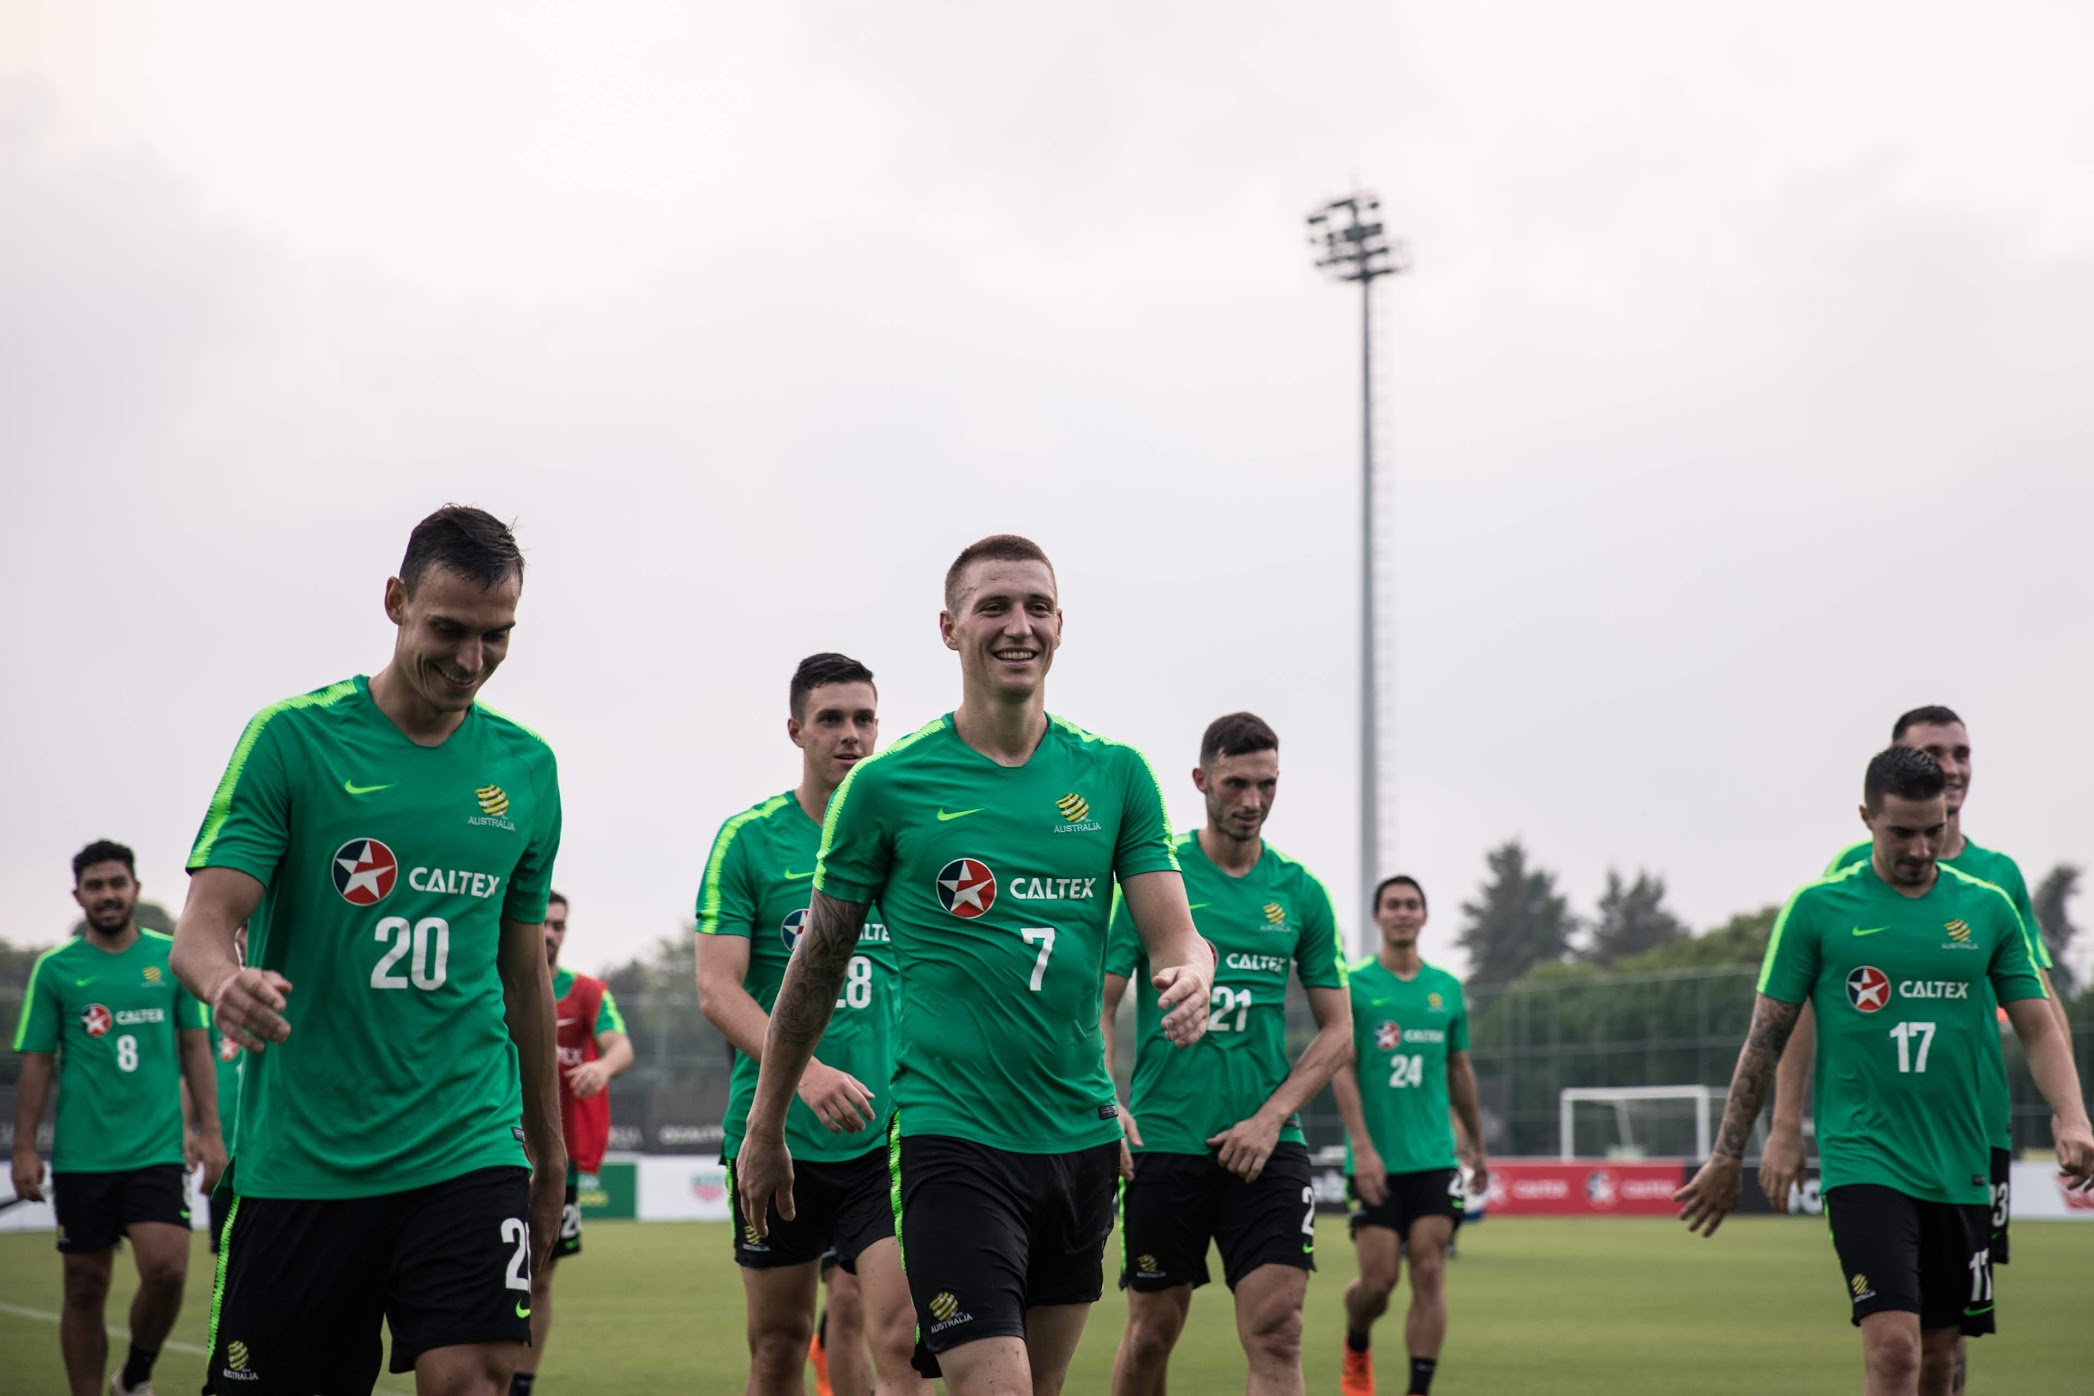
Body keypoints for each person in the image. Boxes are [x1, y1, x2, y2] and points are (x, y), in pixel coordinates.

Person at [734, 534, 1215, 1396]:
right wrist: (767, 1126)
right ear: (951, 628)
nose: (1017, 625)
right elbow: (812, 971)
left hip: (1080, 1145)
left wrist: (1192, 970)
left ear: (1062, 625)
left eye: (1036, 606)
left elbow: (1175, 935)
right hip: (950, 1142)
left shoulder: (1116, 776)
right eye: (994, 606)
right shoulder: (886, 788)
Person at [170, 504, 566, 1396]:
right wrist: (223, 980)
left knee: (472, 1376)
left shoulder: (528, 770)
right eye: (449, 630)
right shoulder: (293, 741)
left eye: (497, 637)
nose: (471, 663)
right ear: (394, 601)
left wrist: (549, 1154)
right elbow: (202, 922)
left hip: (467, 1144)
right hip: (304, 1161)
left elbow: (522, 975)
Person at [1677, 747, 2094, 1396]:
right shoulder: (1818, 909)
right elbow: (1768, 1035)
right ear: (1867, 818)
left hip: (1960, 1160)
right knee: (1894, 1350)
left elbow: (2039, 1027)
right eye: (1902, 832)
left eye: (1934, 829)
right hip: (1863, 1155)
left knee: (1939, 1359)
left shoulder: (1986, 909)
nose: (1922, 849)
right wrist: (1732, 1154)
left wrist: (2073, 1117)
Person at [1761, 708, 2079, 1306]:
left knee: (1951, 1338)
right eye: (1935, 754)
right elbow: (1800, 1007)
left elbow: (2037, 1002)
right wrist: (1785, 1123)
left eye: (1963, 753)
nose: (1952, 768)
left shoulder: (1995, 881)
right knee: (1896, 1339)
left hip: (1975, 1127)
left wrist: (2070, 1110)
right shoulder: (1841, 885)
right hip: (1872, 1134)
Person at [1101, 711, 1350, 1396]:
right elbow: (1098, 999)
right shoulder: (1158, 881)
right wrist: (1106, 1098)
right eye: (1236, 783)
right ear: (1200, 780)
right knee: (1151, 1334)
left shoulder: (1300, 893)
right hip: (1164, 1137)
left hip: (1266, 1147)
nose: (1252, 801)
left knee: (1279, 1331)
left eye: (1266, 784)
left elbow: (1338, 1030)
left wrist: (1270, 1119)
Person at [695, 651, 922, 1396]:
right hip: (776, 1134)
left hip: (889, 1134)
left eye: (864, 719)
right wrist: (810, 1075)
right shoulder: (750, 840)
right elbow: (717, 990)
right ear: (796, 730)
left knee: (902, 1336)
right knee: (779, 1346)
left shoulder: (912, 844)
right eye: (831, 719)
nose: (850, 735)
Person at [12, 839, 223, 1396]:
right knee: (84, 1285)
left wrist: (211, 1133)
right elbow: (36, 1063)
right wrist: (28, 1148)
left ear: (134, 888)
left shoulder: (170, 958)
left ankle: (136, 1374)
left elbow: (197, 1049)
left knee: (168, 1269)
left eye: (116, 883)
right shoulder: (56, 970)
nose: (107, 895)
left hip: (156, 1150)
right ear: (78, 895)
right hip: (84, 1154)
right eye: (95, 886)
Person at [1331, 875, 1488, 1396]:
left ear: (1424, 916)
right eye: (1393, 904)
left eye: (1412, 905)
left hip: (1434, 1157)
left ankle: (1418, 1390)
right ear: (1377, 916)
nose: (1403, 912)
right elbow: (1341, 1068)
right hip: (1376, 1161)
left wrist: (1477, 1146)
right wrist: (1363, 1148)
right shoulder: (1355, 986)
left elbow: (1459, 1070)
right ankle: (1357, 1340)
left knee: (1429, 1270)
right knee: (1377, 1285)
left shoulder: (1445, 989)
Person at [511, 891, 633, 1396]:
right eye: (543, 923)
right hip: (489, 1151)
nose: (552, 934)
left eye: (560, 925)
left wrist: (602, 1068)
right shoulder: (491, 984)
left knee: (538, 1277)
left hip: (558, 1162)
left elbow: (621, 1046)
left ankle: (520, 1383)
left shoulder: (587, 992)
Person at [196, 926, 249, 1257]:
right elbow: (194, 1071)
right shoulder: (214, 1003)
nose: (242, 938)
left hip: (280, 1160)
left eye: (250, 928)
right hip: (226, 1157)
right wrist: (192, 1133)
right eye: (239, 929)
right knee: (228, 1264)